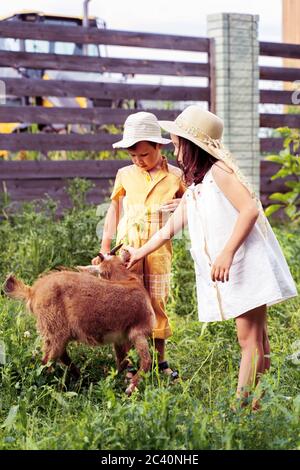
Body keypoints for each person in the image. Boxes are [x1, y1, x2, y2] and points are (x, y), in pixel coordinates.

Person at [125, 105, 298, 409]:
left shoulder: (220, 171)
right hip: (237, 266)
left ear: (192, 147)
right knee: (258, 337)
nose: (176, 153)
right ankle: (258, 402)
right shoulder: (197, 185)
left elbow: (250, 209)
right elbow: (170, 229)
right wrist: (138, 252)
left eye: (178, 146)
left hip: (245, 264)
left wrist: (227, 253)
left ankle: (239, 408)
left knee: (249, 340)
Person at [92, 111, 186, 380]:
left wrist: (182, 203)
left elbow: (196, 204)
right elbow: (114, 211)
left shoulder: (176, 176)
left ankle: (160, 361)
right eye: (133, 156)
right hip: (126, 251)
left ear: (158, 146)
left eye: (144, 154)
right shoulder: (125, 174)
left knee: (156, 304)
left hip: (158, 253)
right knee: (120, 304)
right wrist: (105, 247)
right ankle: (124, 363)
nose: (138, 161)